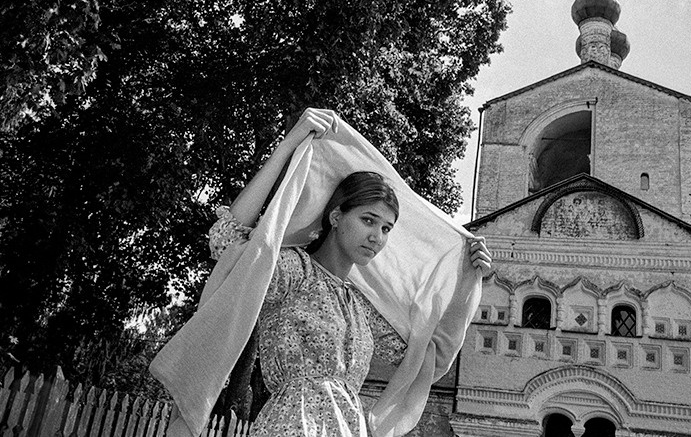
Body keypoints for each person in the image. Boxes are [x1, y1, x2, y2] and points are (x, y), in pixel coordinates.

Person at [153, 108, 491, 437]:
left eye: (387, 228)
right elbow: (227, 242)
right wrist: (289, 145)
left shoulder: (363, 309)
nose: (377, 236)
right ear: (336, 216)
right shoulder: (294, 271)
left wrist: (467, 281)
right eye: (368, 220)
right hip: (291, 423)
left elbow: (430, 353)